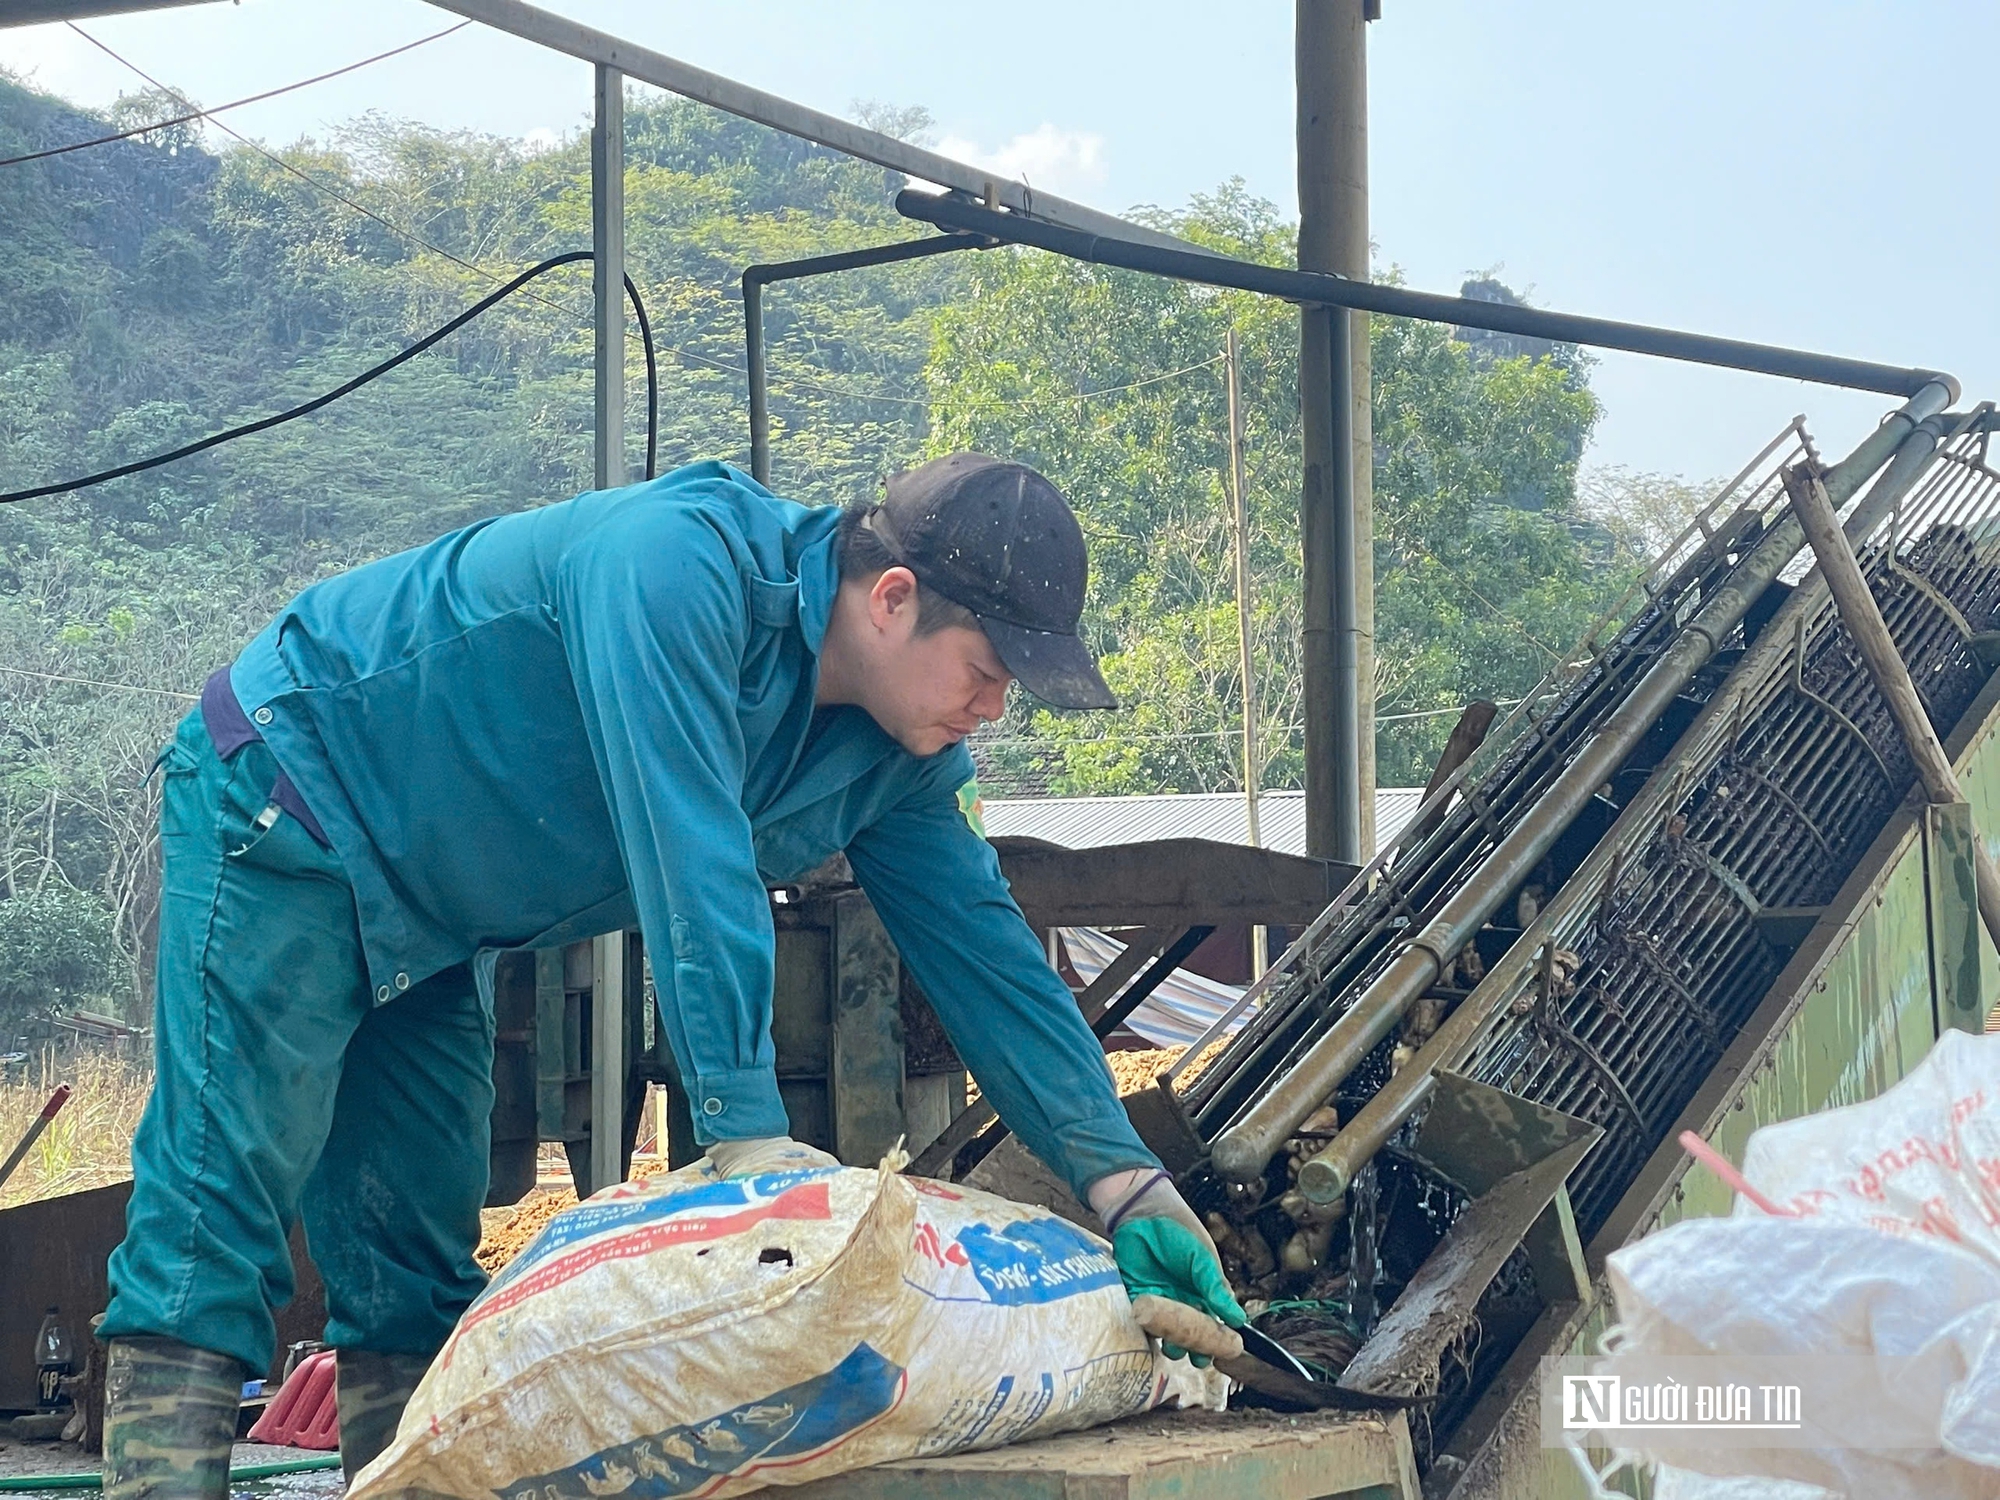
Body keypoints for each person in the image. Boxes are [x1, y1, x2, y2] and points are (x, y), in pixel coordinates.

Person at [97, 453, 1245, 1497]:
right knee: (220, 1201)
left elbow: (991, 962)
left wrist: (1123, 1182)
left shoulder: (898, 759)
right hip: (292, 802)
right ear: (891, 599)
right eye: (987, 672)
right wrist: (747, 1139)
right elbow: (689, 859)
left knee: (410, 1261)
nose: (992, 709)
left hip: (439, 918)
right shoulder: (676, 568)